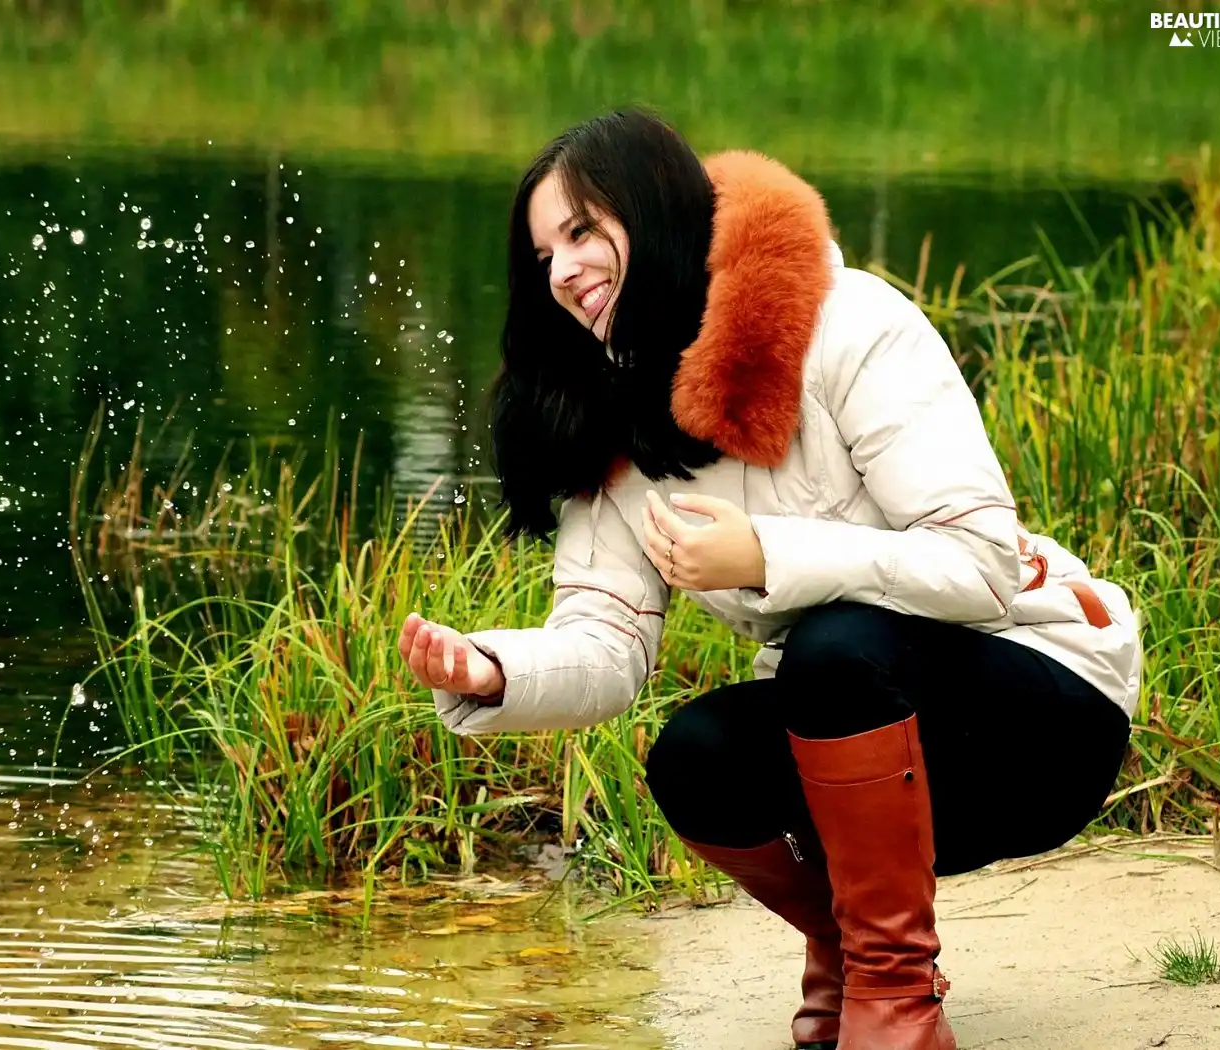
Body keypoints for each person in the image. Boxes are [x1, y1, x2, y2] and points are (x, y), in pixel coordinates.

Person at [395, 109, 1140, 1050]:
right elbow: (608, 641)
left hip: (1043, 707)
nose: (563, 270)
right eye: (544, 253)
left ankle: (897, 1000)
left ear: (659, 210)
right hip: (875, 745)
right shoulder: (611, 419)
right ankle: (854, 955)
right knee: (695, 754)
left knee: (831, 652)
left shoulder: (847, 323)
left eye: (583, 231)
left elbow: (982, 566)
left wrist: (768, 557)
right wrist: (494, 670)